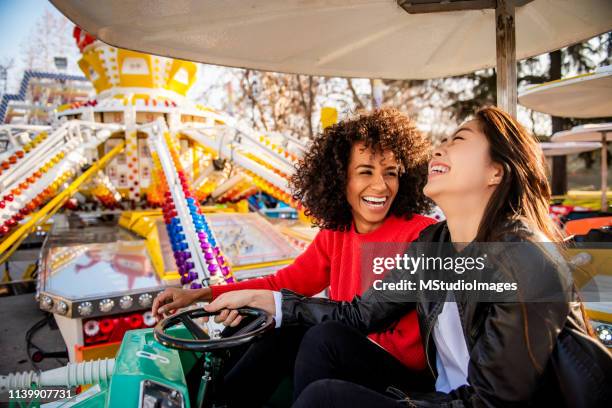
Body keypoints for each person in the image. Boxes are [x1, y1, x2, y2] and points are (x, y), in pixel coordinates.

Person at [205, 106, 612, 407]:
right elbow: (357, 316)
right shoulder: (436, 246)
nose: (438, 149)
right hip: (441, 394)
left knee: (324, 399)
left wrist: (405, 404)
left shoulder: (525, 260)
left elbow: (491, 403)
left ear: (496, 172)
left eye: (459, 140)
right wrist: (271, 303)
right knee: (324, 339)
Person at [152, 107, 436, 406]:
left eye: (391, 173)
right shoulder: (337, 233)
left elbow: (360, 316)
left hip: (401, 377)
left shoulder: (424, 235)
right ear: (340, 178)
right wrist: (200, 294)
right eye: (365, 171)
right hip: (347, 350)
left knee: (317, 335)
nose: (381, 186)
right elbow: (283, 283)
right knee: (269, 328)